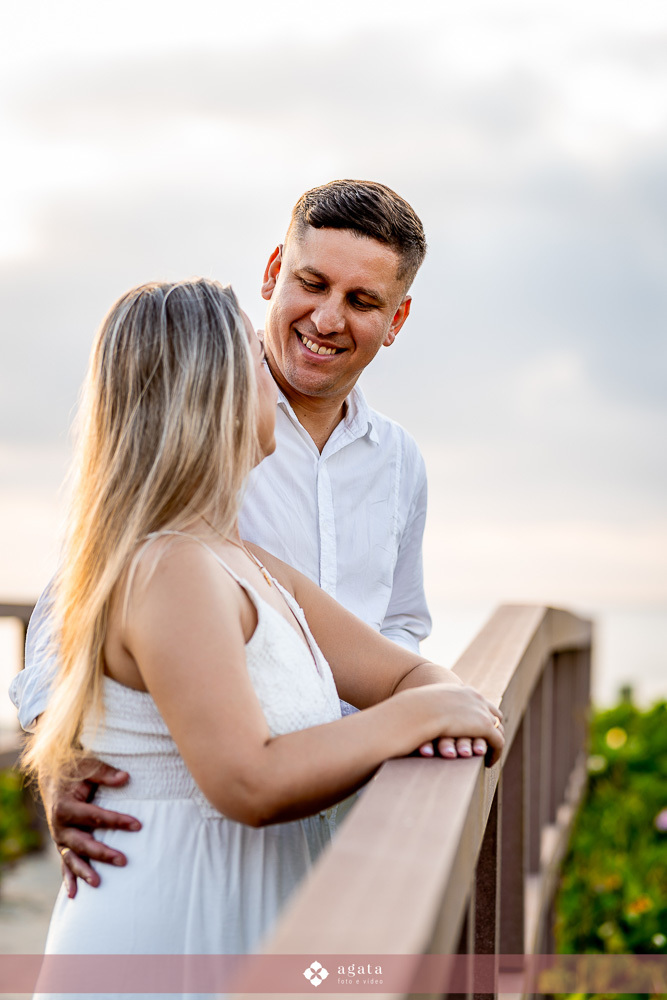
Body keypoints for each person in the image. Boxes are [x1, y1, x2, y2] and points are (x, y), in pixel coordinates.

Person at [23, 279, 505, 974]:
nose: (270, 377)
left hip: (251, 909)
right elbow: (246, 782)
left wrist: (432, 699)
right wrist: (422, 716)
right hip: (177, 927)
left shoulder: (241, 560)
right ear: (211, 388)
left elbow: (399, 667)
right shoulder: (171, 569)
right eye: (253, 356)